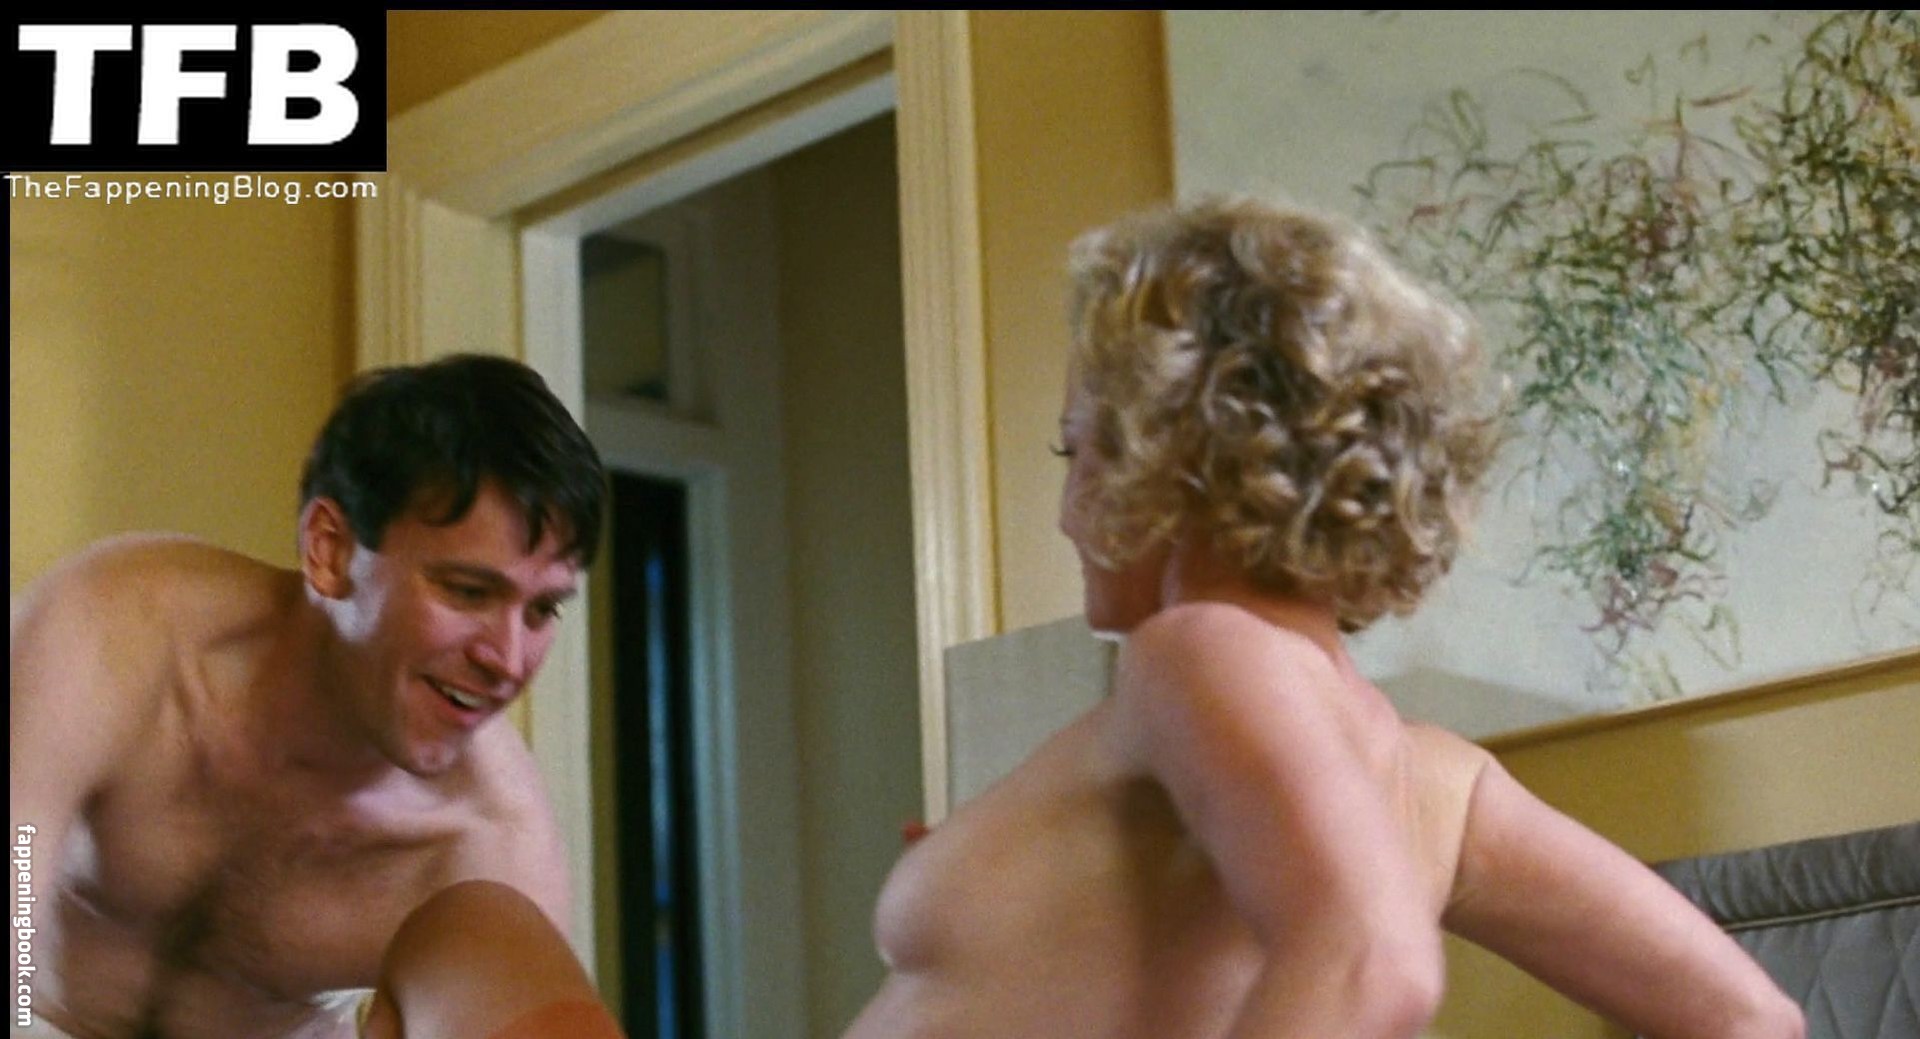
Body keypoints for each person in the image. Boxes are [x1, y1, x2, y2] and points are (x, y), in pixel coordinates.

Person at [846, 198, 1805, 1038]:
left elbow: (1372, 959)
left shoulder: (1199, 648)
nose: (1066, 512)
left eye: (1076, 451)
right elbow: (1750, 1017)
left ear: (1179, 449)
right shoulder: (1436, 781)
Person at [9, 354, 606, 1038]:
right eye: (469, 591)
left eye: (542, 610)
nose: (507, 659)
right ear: (330, 549)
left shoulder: (492, 847)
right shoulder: (117, 632)